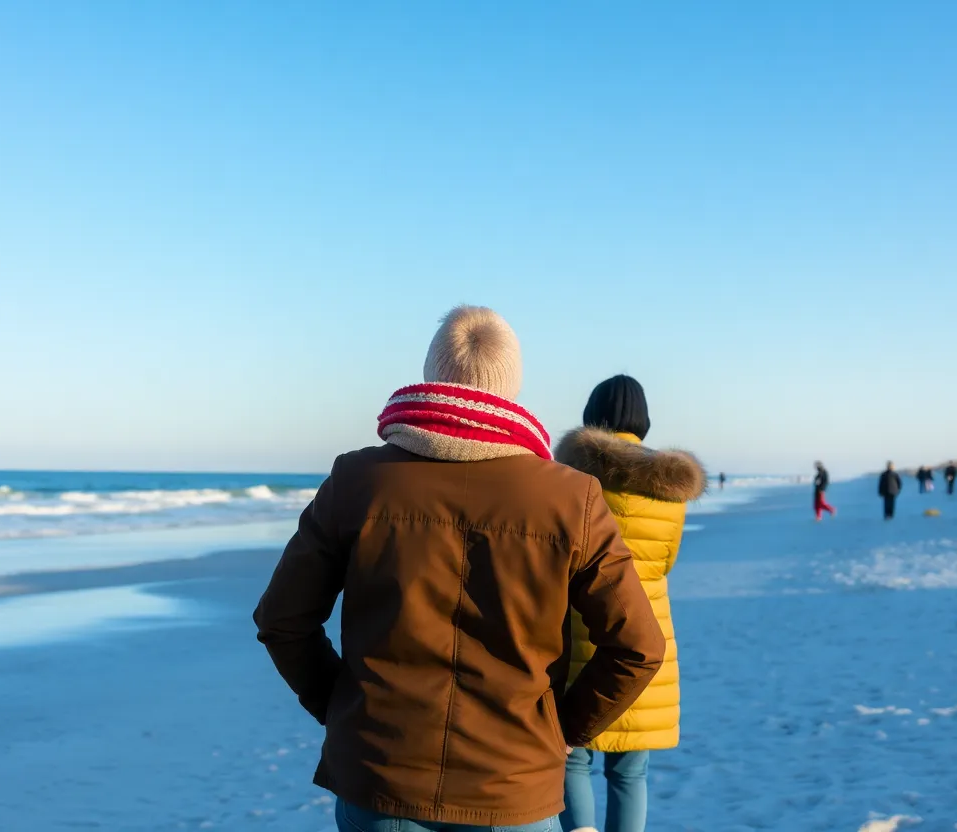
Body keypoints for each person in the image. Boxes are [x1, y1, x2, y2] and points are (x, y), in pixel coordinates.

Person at [253, 306, 667, 832]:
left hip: (381, 779)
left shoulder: (358, 480)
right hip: (513, 788)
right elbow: (638, 647)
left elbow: (282, 621)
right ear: (511, 386)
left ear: (431, 374)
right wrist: (561, 731)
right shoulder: (571, 497)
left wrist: (344, 709)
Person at [555, 375, 706, 832]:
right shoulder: (669, 488)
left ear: (590, 415)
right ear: (644, 420)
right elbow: (664, 563)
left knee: (571, 756)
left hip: (580, 626)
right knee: (629, 770)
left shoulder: (573, 475)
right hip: (645, 627)